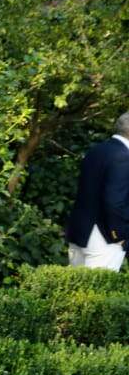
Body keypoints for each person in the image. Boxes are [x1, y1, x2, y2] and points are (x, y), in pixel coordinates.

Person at [64, 111, 129, 271]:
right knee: (97, 287)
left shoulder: (97, 150)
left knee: (76, 285)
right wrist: (119, 235)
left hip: (80, 231)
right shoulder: (123, 156)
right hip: (104, 238)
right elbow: (114, 201)